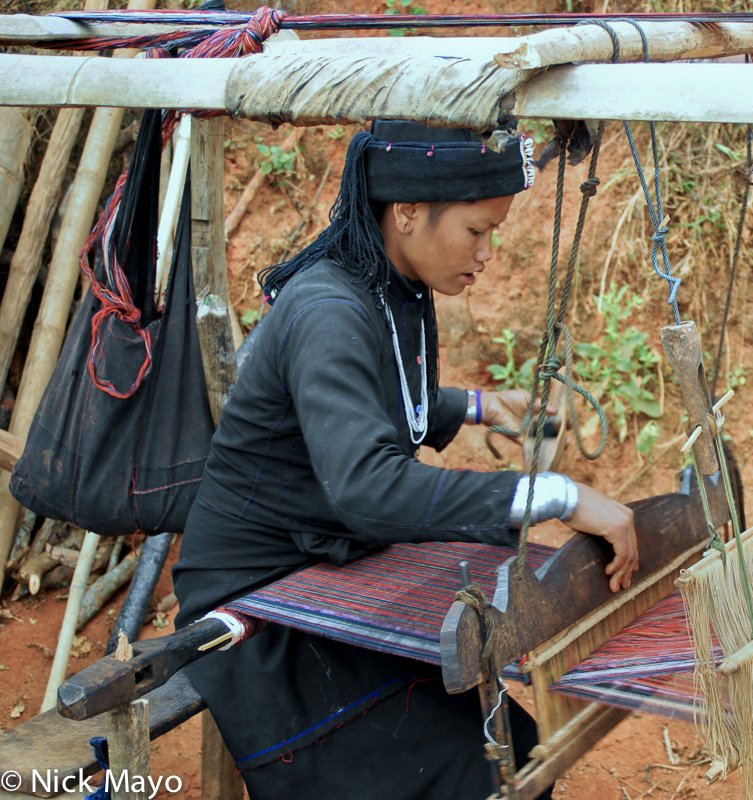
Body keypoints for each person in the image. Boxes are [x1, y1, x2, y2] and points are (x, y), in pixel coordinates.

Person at [172, 120, 639, 800]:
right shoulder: (329, 307)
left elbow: (379, 395)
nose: (488, 252)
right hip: (262, 604)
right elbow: (368, 486)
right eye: (477, 230)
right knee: (466, 778)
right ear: (409, 212)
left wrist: (479, 406)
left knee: (514, 756)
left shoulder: (388, 286)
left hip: (335, 569)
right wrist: (557, 496)